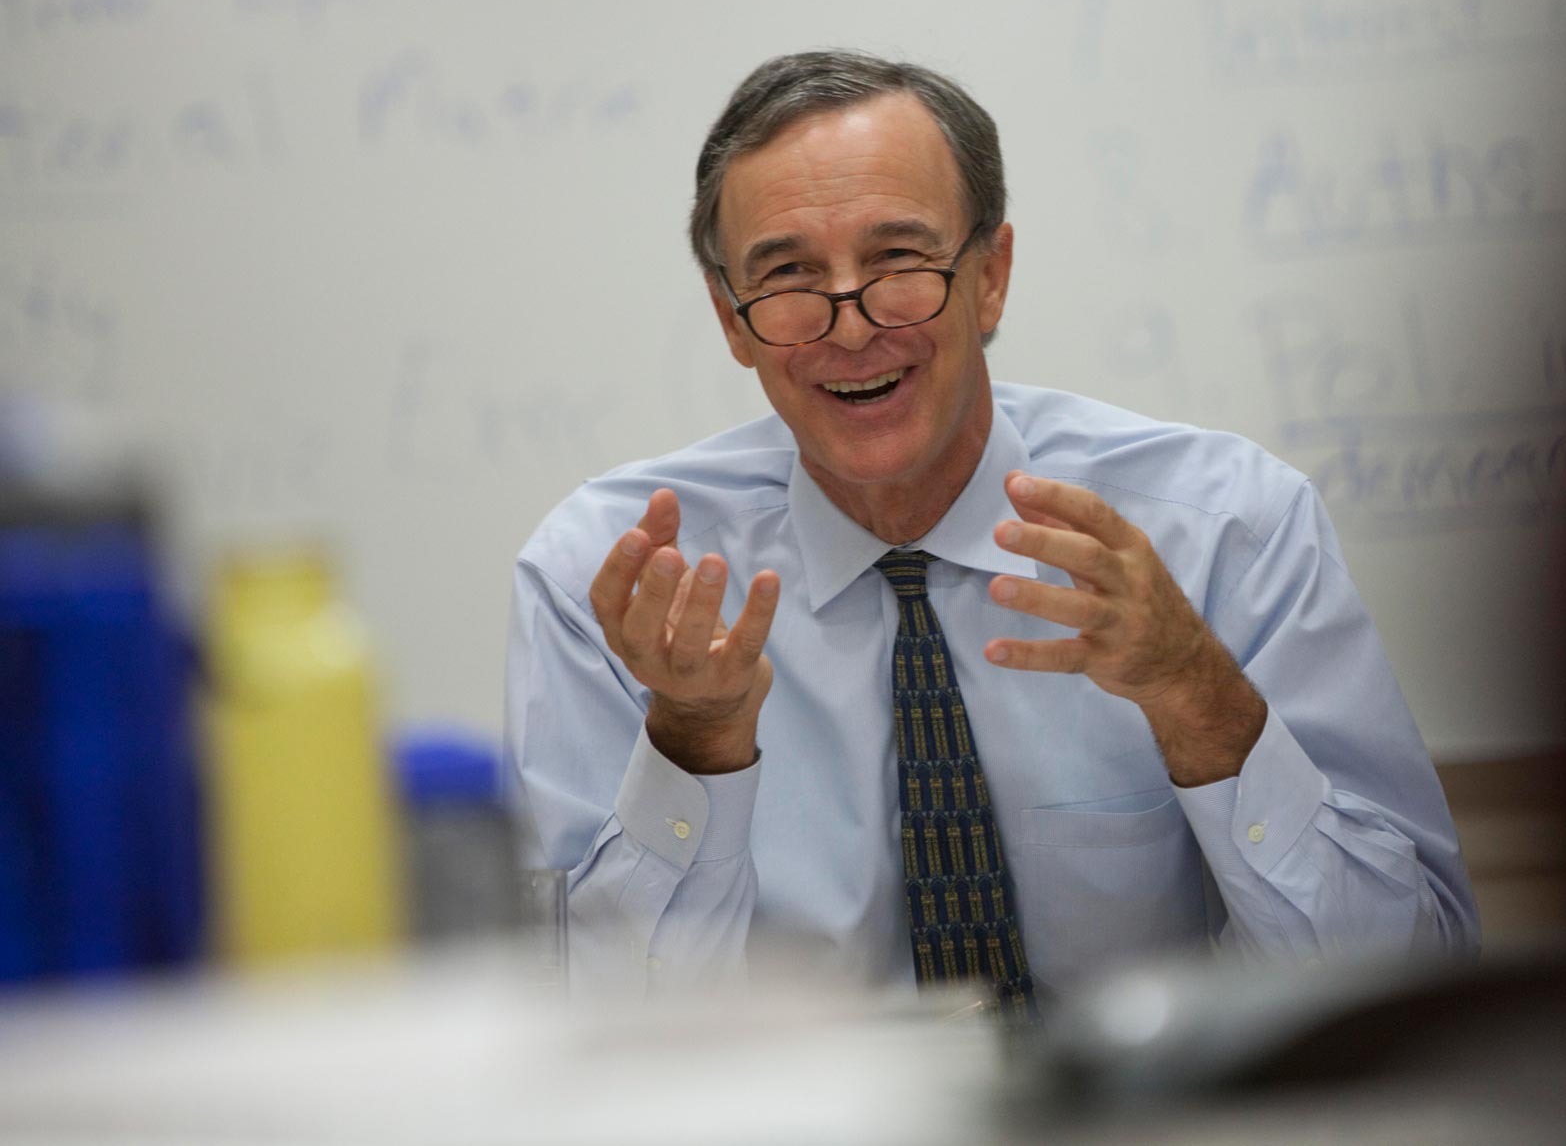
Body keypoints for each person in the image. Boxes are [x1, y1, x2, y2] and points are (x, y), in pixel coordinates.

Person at [505, 51, 1477, 1007]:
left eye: (898, 259)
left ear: (991, 275)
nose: (850, 326)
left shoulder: (1225, 528)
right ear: (732, 318)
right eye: (789, 275)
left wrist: (1199, 698)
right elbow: (598, 1036)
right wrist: (694, 741)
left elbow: (1412, 983)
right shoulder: (620, 584)